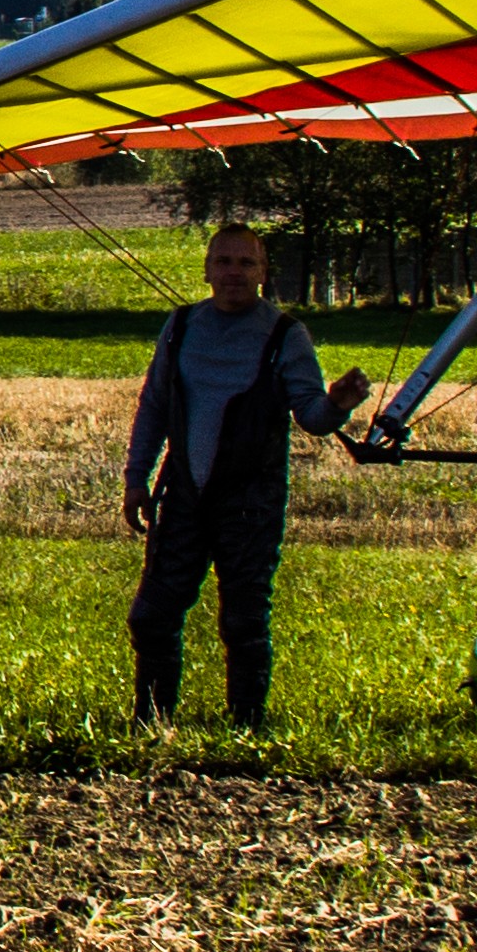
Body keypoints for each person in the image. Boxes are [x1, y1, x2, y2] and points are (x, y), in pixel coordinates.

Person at [120, 222, 373, 728]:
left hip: (250, 503)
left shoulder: (285, 335)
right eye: (224, 262)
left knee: (243, 621)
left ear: (263, 273)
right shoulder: (181, 326)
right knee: (152, 617)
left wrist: (338, 404)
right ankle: (150, 725)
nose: (234, 273)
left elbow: (312, 417)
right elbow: (155, 407)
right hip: (183, 496)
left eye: (246, 263)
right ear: (207, 270)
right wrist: (135, 479)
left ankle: (246, 730)